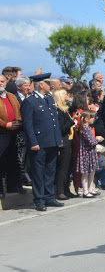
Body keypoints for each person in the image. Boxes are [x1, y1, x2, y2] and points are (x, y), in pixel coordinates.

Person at [20, 73, 64, 211]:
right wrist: (33, 142)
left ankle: (49, 196)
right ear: (41, 85)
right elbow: (28, 124)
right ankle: (39, 199)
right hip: (39, 142)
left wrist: (58, 139)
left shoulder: (49, 99)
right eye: (48, 83)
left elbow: (54, 121)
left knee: (50, 171)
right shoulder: (30, 101)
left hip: (51, 141)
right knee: (38, 172)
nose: (51, 85)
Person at [0, 74, 25, 194]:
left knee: (14, 160)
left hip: (14, 132)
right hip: (2, 132)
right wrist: (5, 125)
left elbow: (18, 110)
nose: (0, 83)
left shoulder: (11, 96)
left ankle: (13, 186)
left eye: (2, 81)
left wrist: (17, 122)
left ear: (6, 82)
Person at [52, 89, 75, 200]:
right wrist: (72, 121)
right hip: (64, 141)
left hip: (69, 140)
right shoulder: (58, 111)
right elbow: (62, 128)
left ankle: (66, 189)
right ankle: (60, 191)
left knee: (69, 167)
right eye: (65, 94)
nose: (68, 95)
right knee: (63, 167)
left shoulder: (65, 109)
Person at [76, 111, 102, 198]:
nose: (93, 119)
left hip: (90, 152)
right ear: (87, 119)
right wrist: (98, 139)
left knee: (92, 171)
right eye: (92, 118)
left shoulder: (88, 127)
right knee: (85, 173)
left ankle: (90, 189)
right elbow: (91, 141)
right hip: (86, 153)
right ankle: (85, 191)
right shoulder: (84, 128)